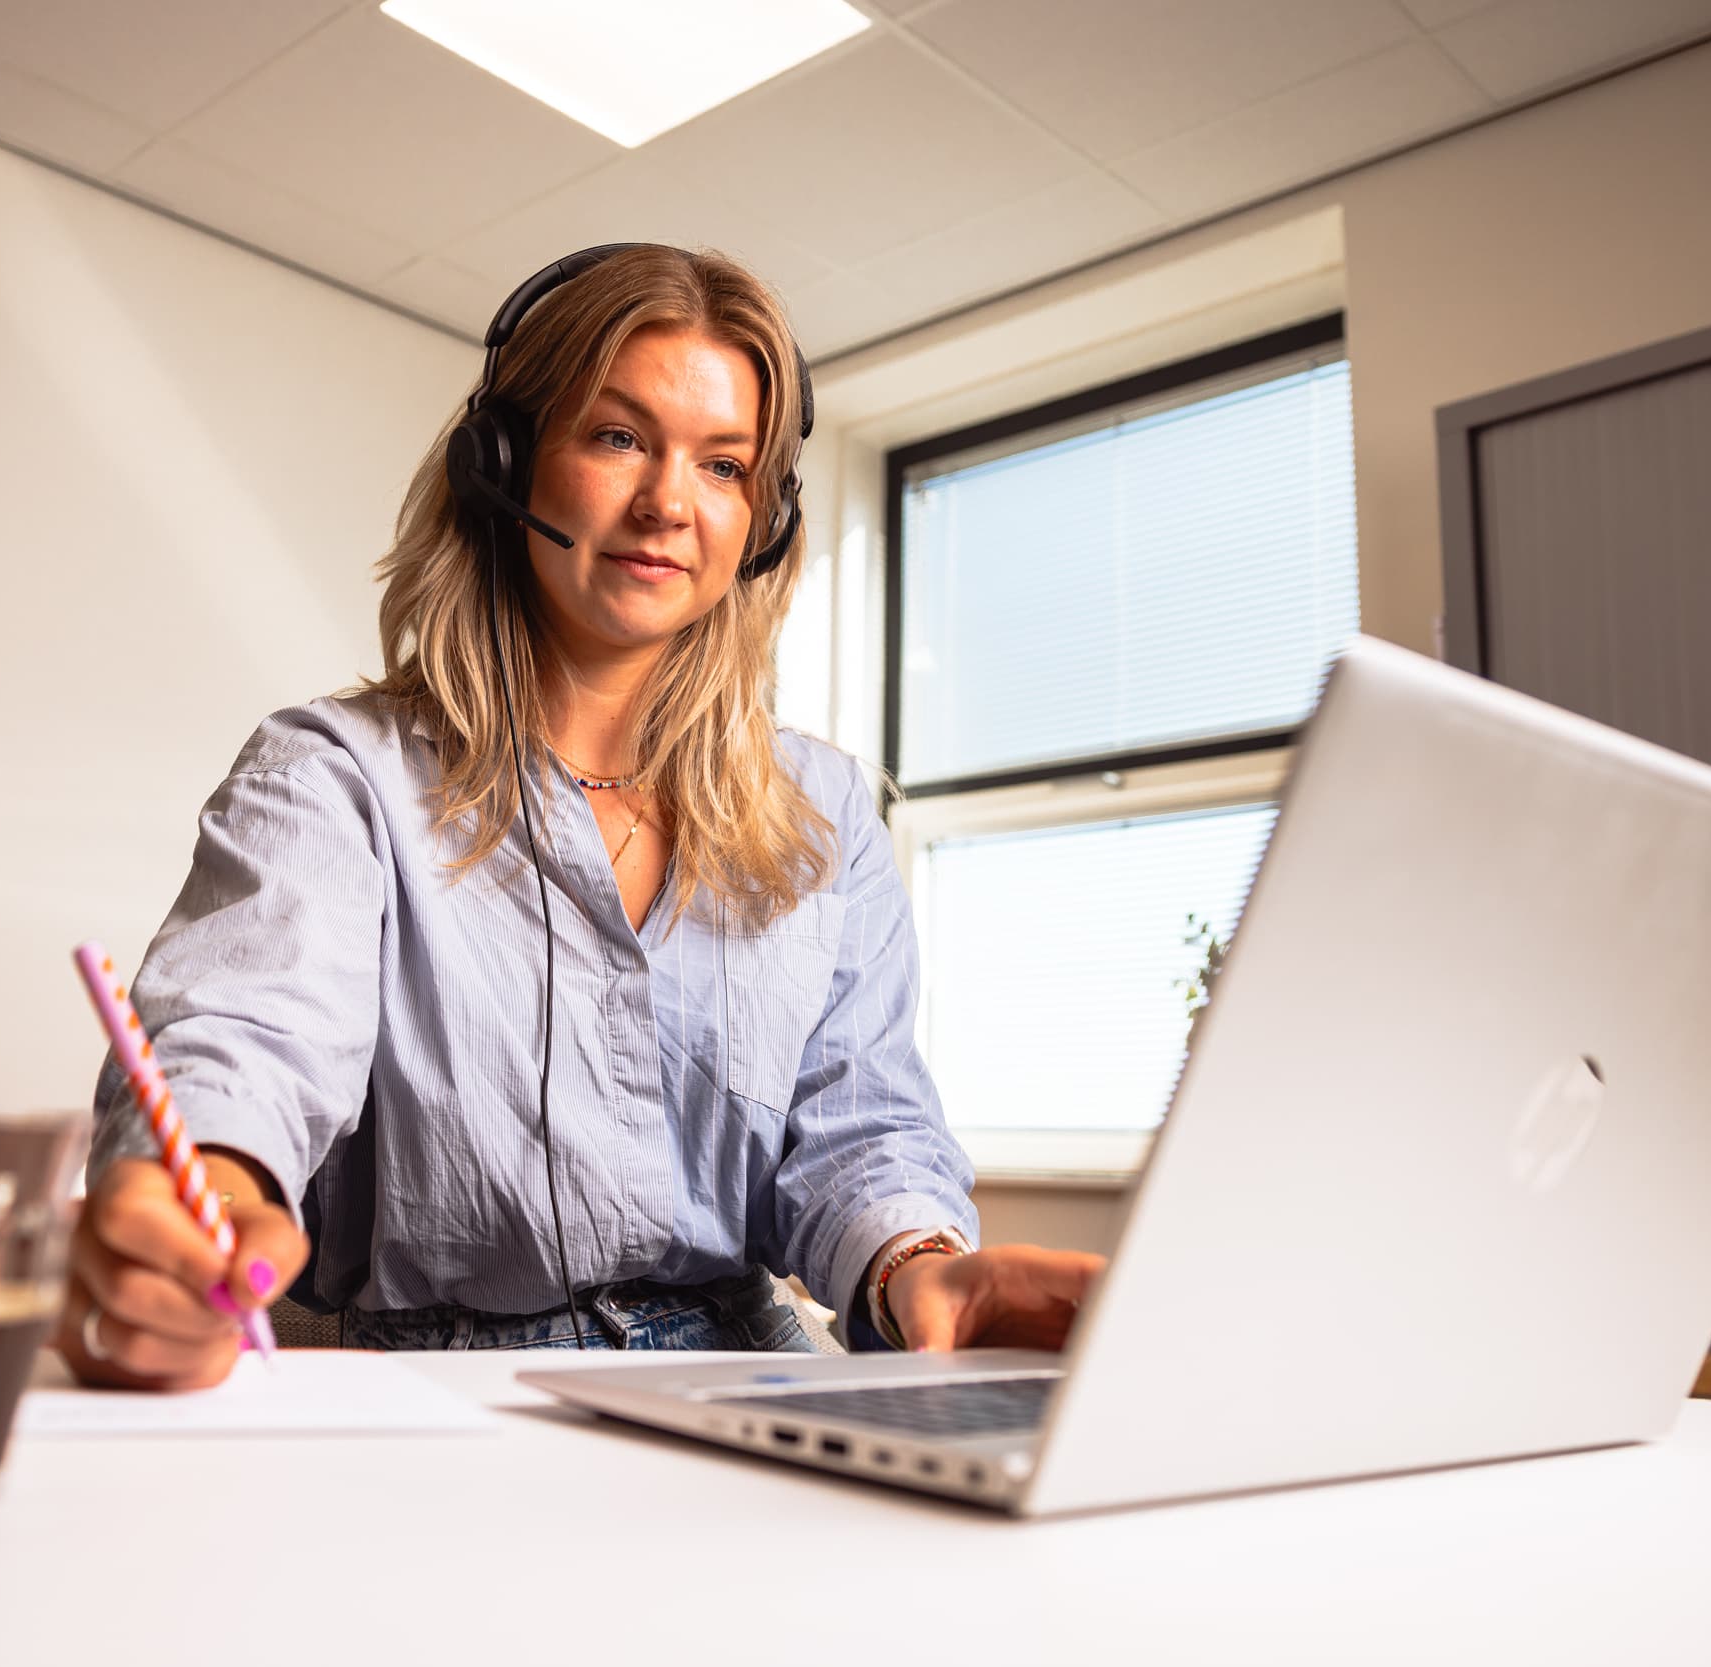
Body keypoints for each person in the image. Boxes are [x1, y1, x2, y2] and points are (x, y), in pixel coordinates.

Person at [56, 244, 1103, 1390]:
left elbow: (860, 1130)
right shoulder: (337, 778)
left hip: (743, 1362)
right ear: (502, 464)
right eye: (616, 437)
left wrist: (920, 1266)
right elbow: (244, 1042)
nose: (667, 503)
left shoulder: (825, 811)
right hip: (429, 1379)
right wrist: (199, 1197)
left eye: (723, 465)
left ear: (761, 518)